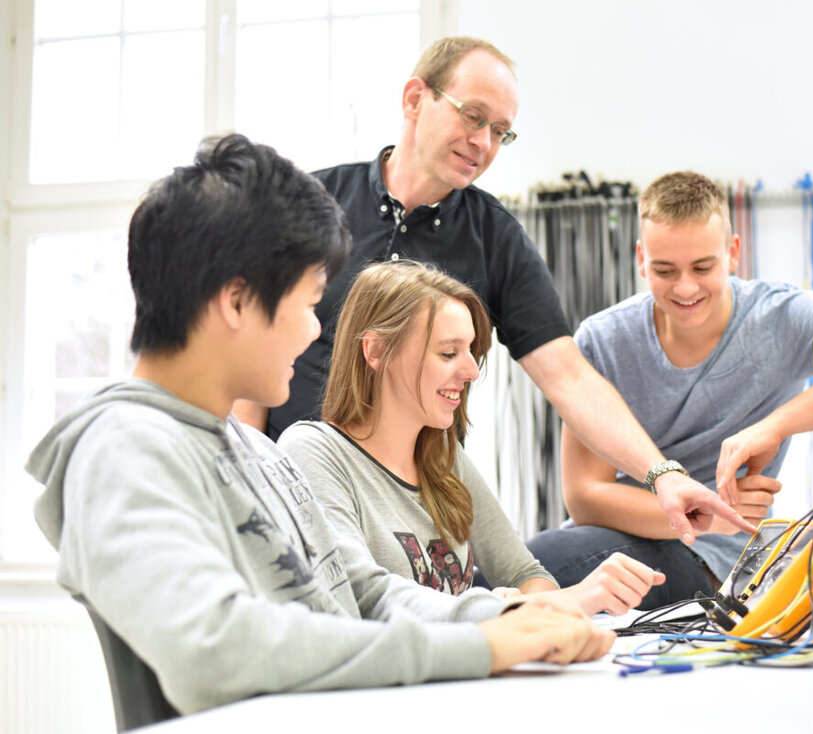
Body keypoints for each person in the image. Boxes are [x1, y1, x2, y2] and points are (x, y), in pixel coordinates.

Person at [26, 134, 613, 717]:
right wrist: (480, 645)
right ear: (236, 302)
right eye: (308, 304)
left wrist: (507, 619)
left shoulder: (260, 453)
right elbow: (216, 648)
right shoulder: (124, 449)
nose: (315, 332)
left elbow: (362, 591)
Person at [231, 36, 752, 543]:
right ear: (416, 99)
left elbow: (568, 376)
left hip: (414, 514)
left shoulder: (495, 238)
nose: (484, 143)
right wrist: (249, 489)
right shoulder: (311, 204)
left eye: (501, 131)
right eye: (473, 116)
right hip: (294, 492)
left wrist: (661, 475)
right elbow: (253, 355)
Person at [526, 170, 813, 609]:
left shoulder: (783, 317)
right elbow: (585, 496)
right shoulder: (603, 339)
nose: (685, 287)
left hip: (710, 561)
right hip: (610, 536)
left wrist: (774, 427)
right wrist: (706, 518)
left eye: (703, 267)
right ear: (641, 259)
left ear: (734, 253)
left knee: (529, 571)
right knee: (522, 567)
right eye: (665, 270)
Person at [279, 260, 666, 617]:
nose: (470, 371)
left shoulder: (443, 455)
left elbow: (525, 573)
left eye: (470, 351)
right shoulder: (312, 452)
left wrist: (525, 603)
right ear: (377, 351)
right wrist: (517, 607)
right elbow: (362, 594)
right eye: (448, 353)